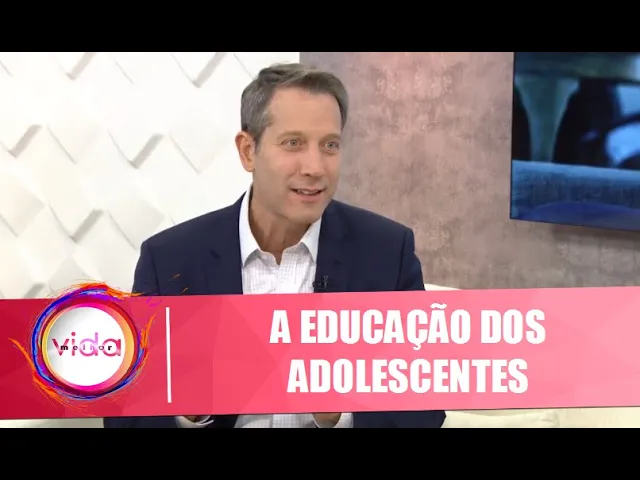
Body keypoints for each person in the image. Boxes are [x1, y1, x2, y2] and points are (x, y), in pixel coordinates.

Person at [103, 63, 445, 428]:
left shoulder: (387, 253)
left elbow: (425, 411)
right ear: (248, 151)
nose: (315, 167)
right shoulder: (170, 260)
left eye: (329, 145)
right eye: (293, 143)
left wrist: (341, 412)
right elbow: (124, 418)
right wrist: (187, 409)